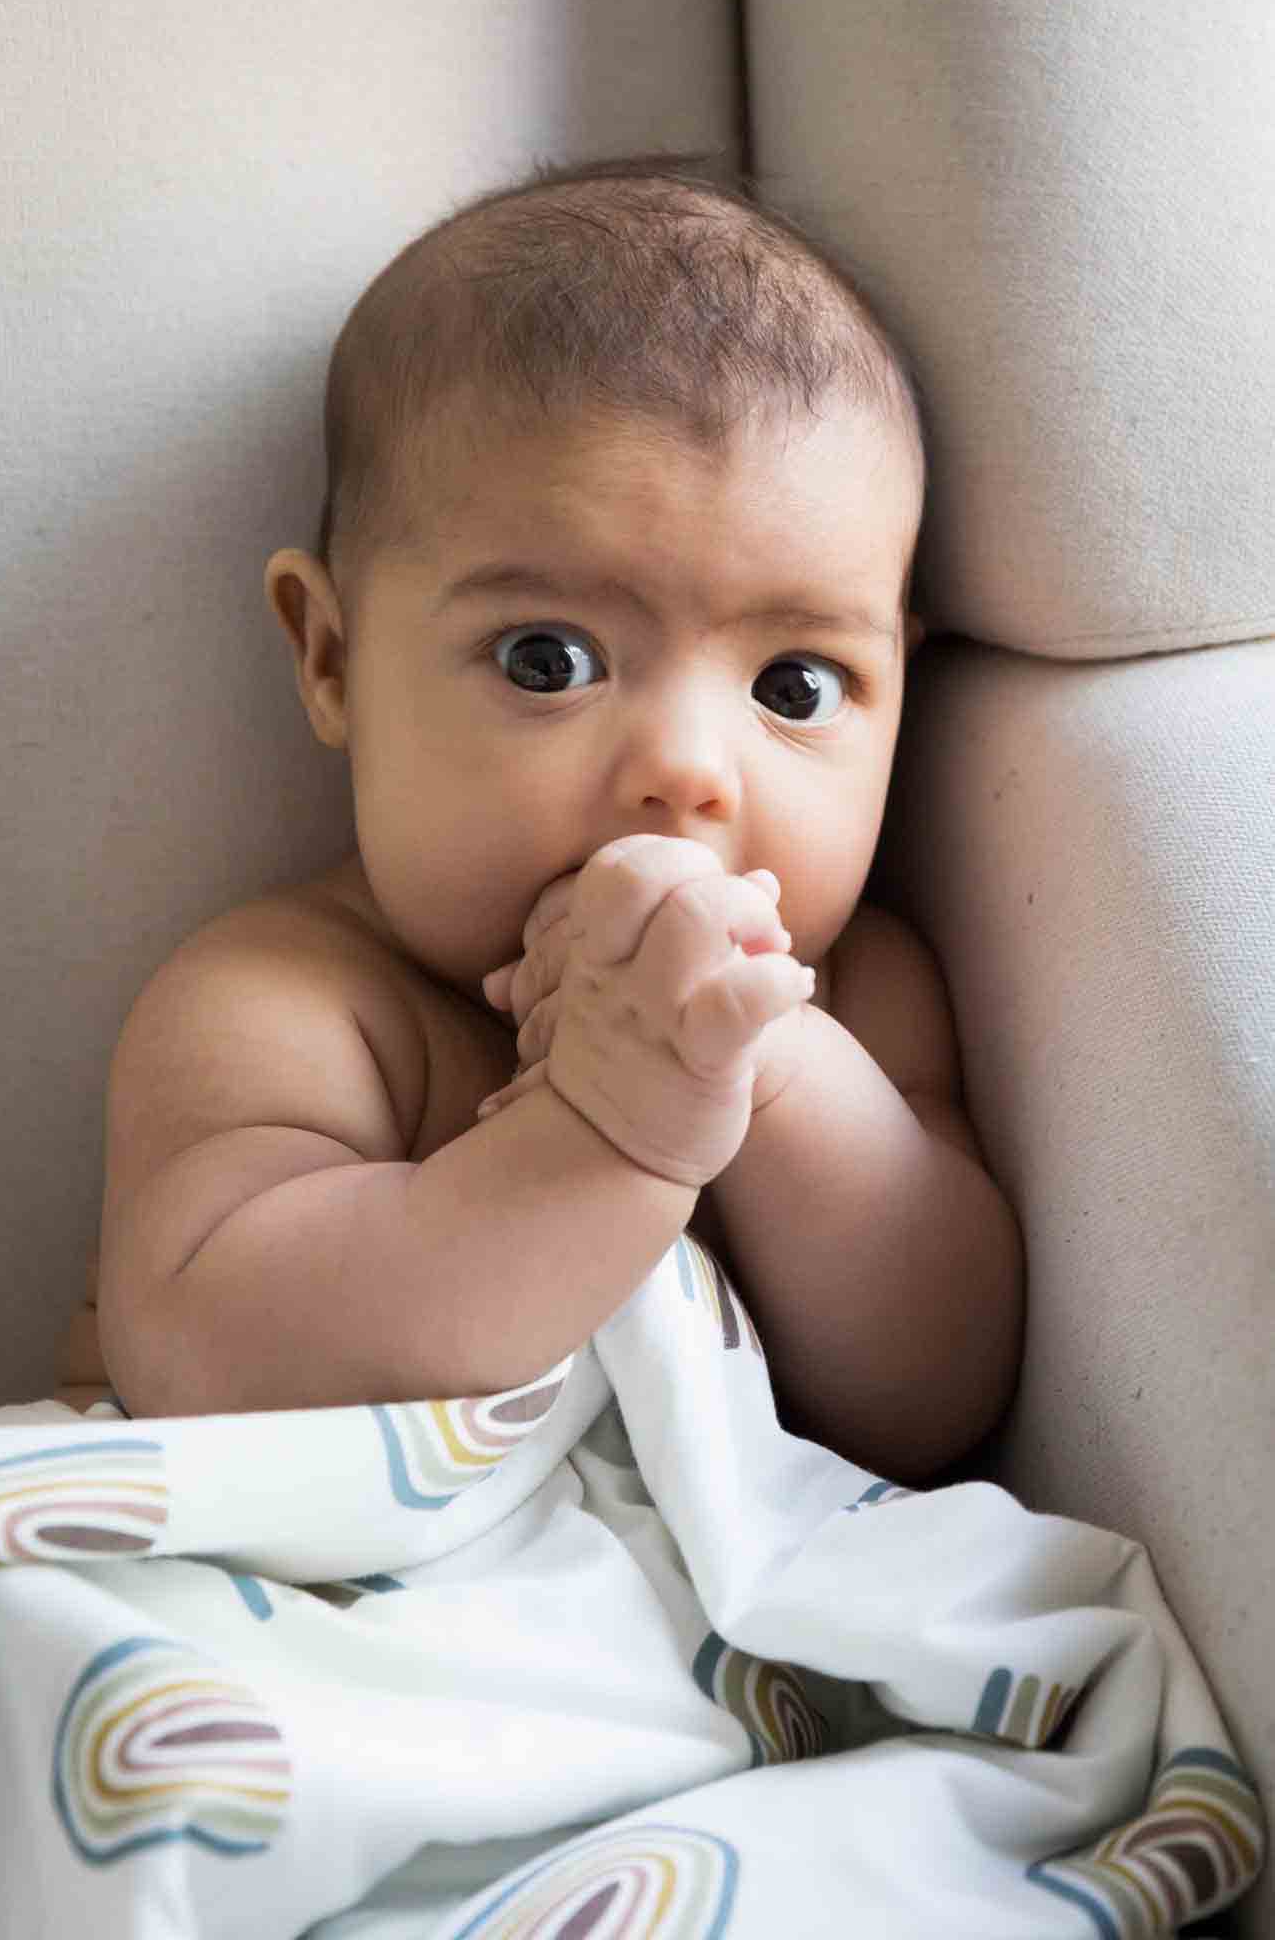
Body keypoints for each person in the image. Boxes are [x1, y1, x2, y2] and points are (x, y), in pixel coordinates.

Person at [85, 154, 1023, 1486]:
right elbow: (201, 1358)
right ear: (331, 658)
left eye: (793, 686)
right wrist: (607, 1130)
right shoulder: (289, 999)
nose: (686, 772)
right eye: (547, 659)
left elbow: (935, 1394)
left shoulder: (857, 994)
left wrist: (759, 1071)